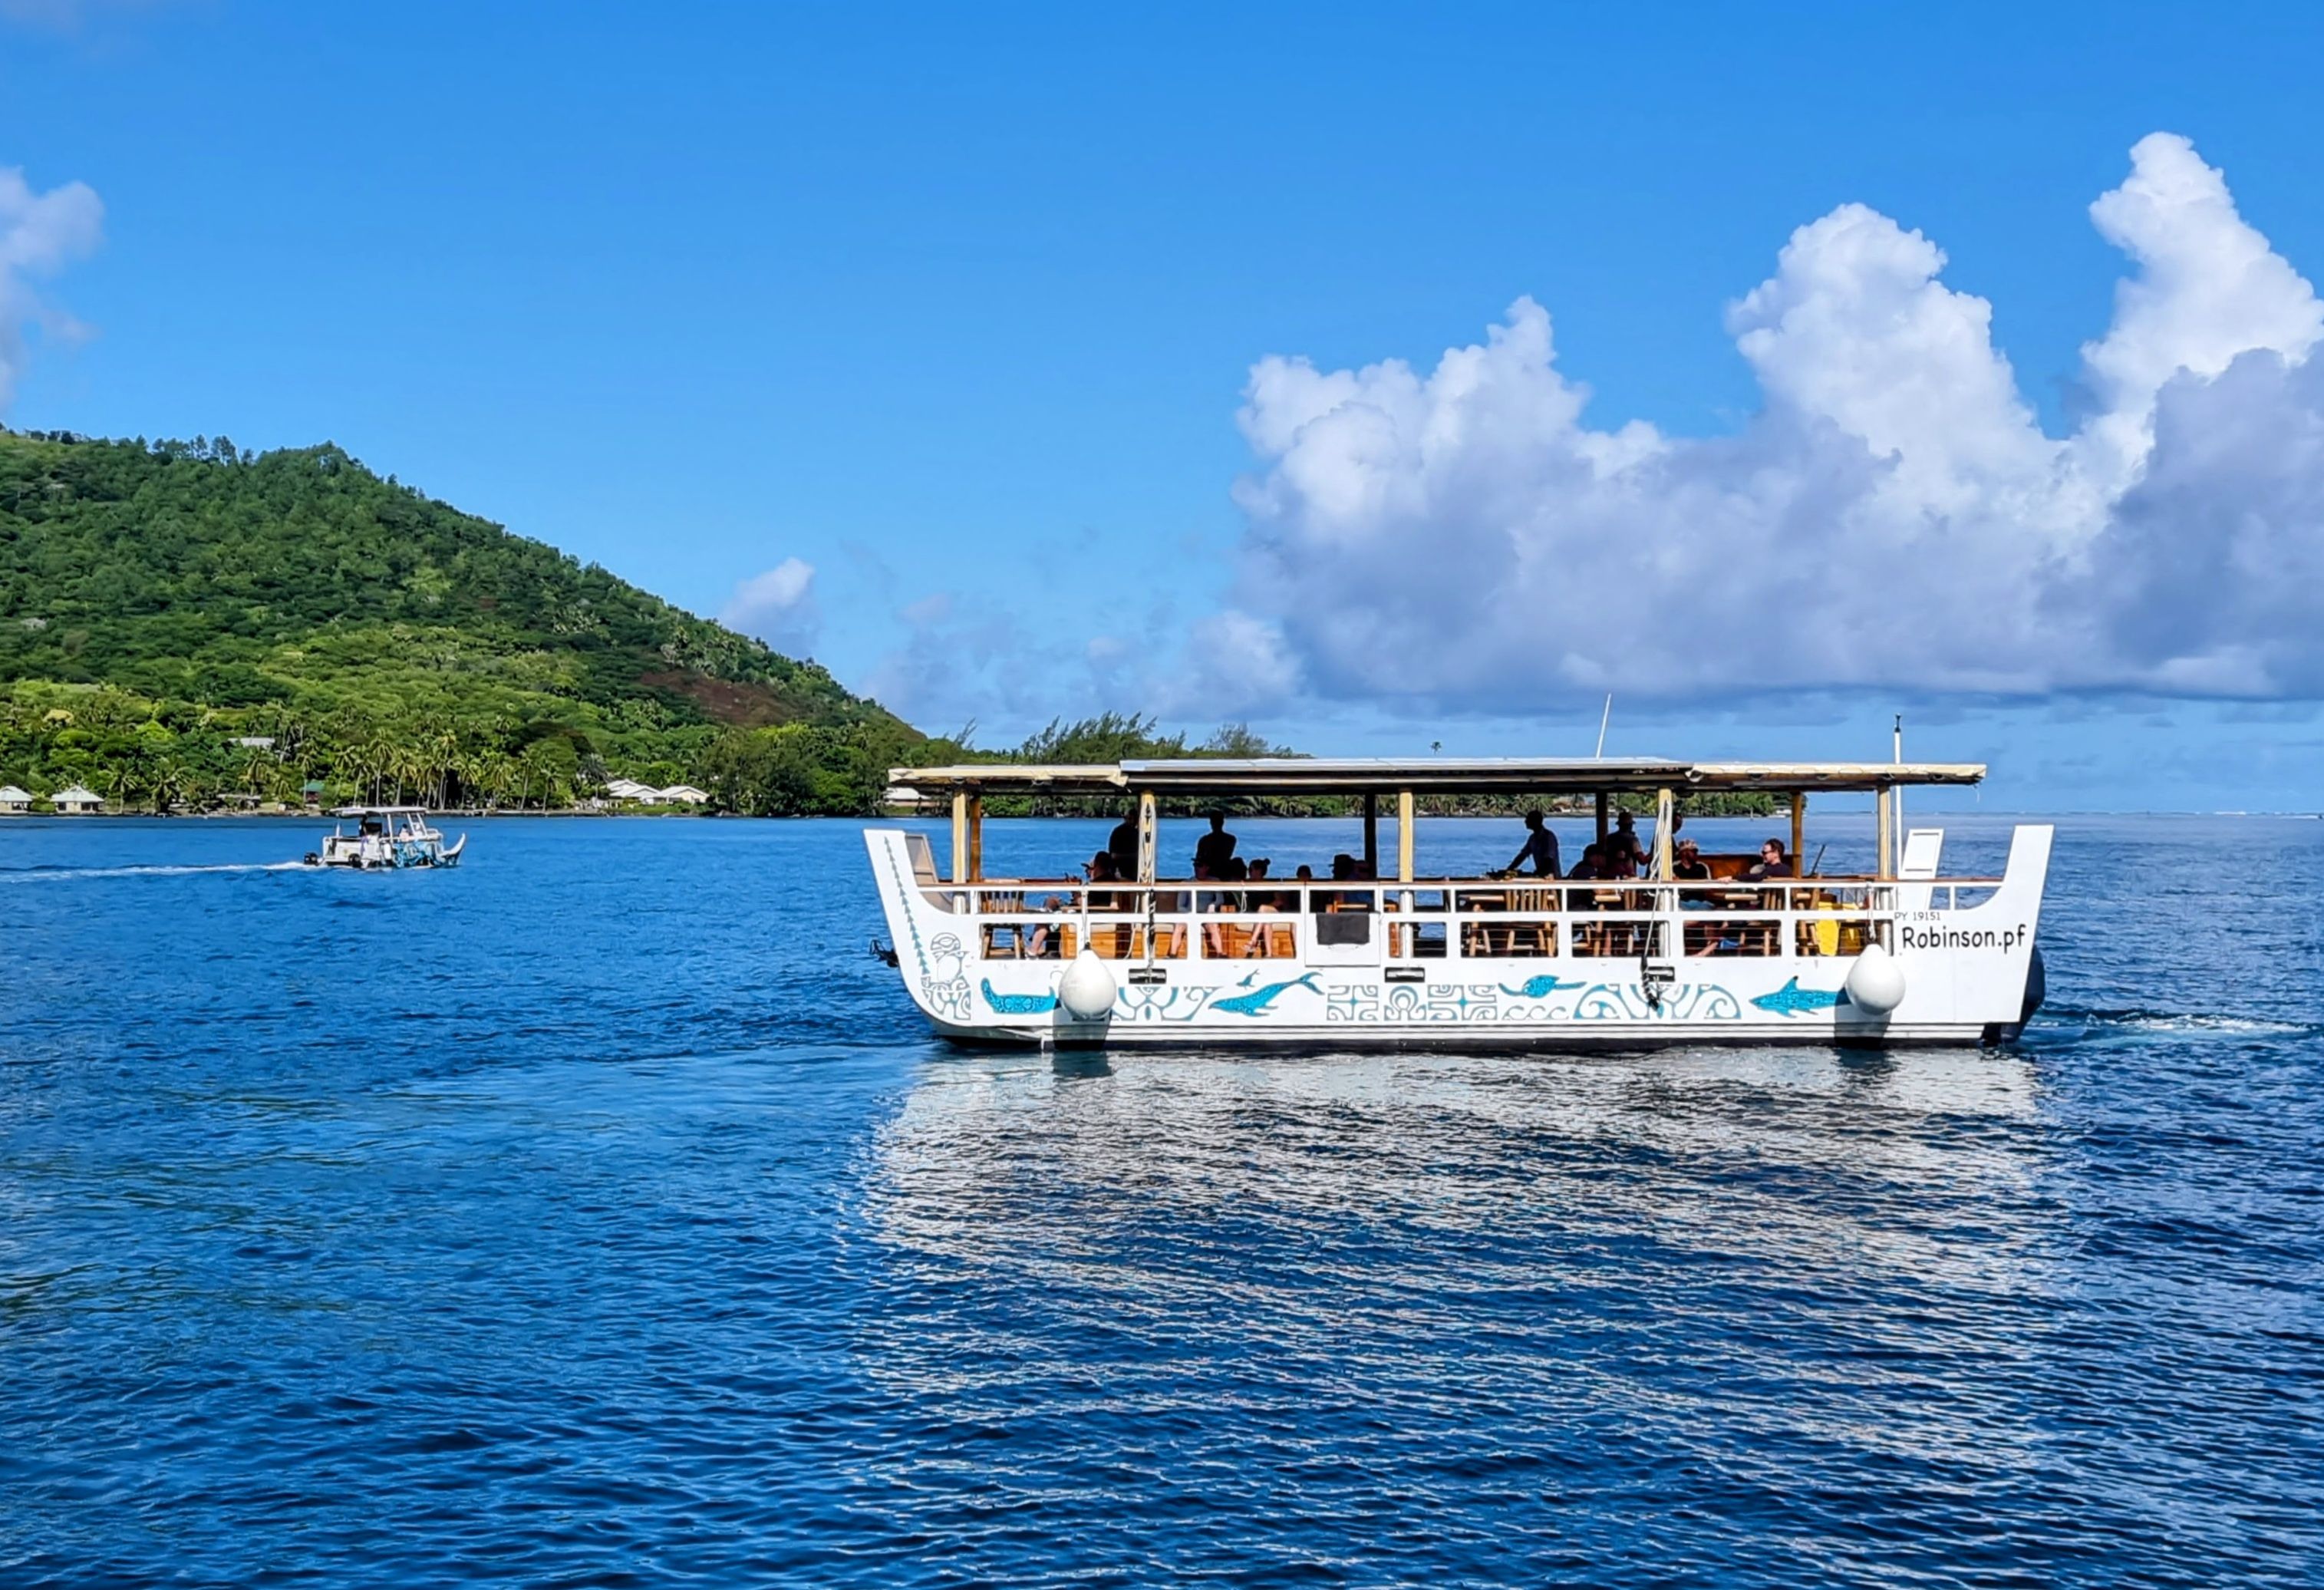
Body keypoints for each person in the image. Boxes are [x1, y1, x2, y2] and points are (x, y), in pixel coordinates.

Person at [1502, 810, 1563, 878]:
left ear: (1535, 821)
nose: (1525, 821)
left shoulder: (1548, 837)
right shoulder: (1533, 838)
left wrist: (1537, 873)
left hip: (1552, 877)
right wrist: (1509, 869)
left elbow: (1549, 860)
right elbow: (1522, 856)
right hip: (1541, 875)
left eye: (1528, 819)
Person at [1604, 812, 1649, 878]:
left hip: (1611, 876)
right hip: (1628, 876)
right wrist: (1653, 854)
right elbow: (1642, 861)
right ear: (1630, 825)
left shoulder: (1610, 838)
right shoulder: (1632, 840)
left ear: (1619, 825)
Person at [1193, 812, 1237, 876]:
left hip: (1210, 873)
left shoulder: (1205, 840)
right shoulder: (1231, 839)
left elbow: (1199, 859)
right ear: (1223, 822)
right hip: (1225, 872)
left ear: (1211, 823)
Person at [1106, 808, 1140, 879]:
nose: (1133, 822)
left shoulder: (1136, 833)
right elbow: (1114, 856)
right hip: (1120, 871)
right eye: (1130, 819)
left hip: (1133, 872)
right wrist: (1136, 856)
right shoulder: (1119, 832)